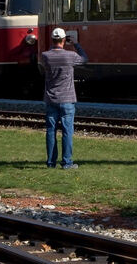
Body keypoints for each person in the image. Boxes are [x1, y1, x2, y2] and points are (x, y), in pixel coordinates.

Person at [40, 27, 87, 169]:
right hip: (67, 100)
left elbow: (50, 55)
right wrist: (76, 44)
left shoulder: (45, 56)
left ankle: (50, 163)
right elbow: (84, 59)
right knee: (67, 132)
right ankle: (67, 163)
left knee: (50, 131)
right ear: (64, 40)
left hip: (51, 99)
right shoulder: (70, 56)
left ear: (52, 40)